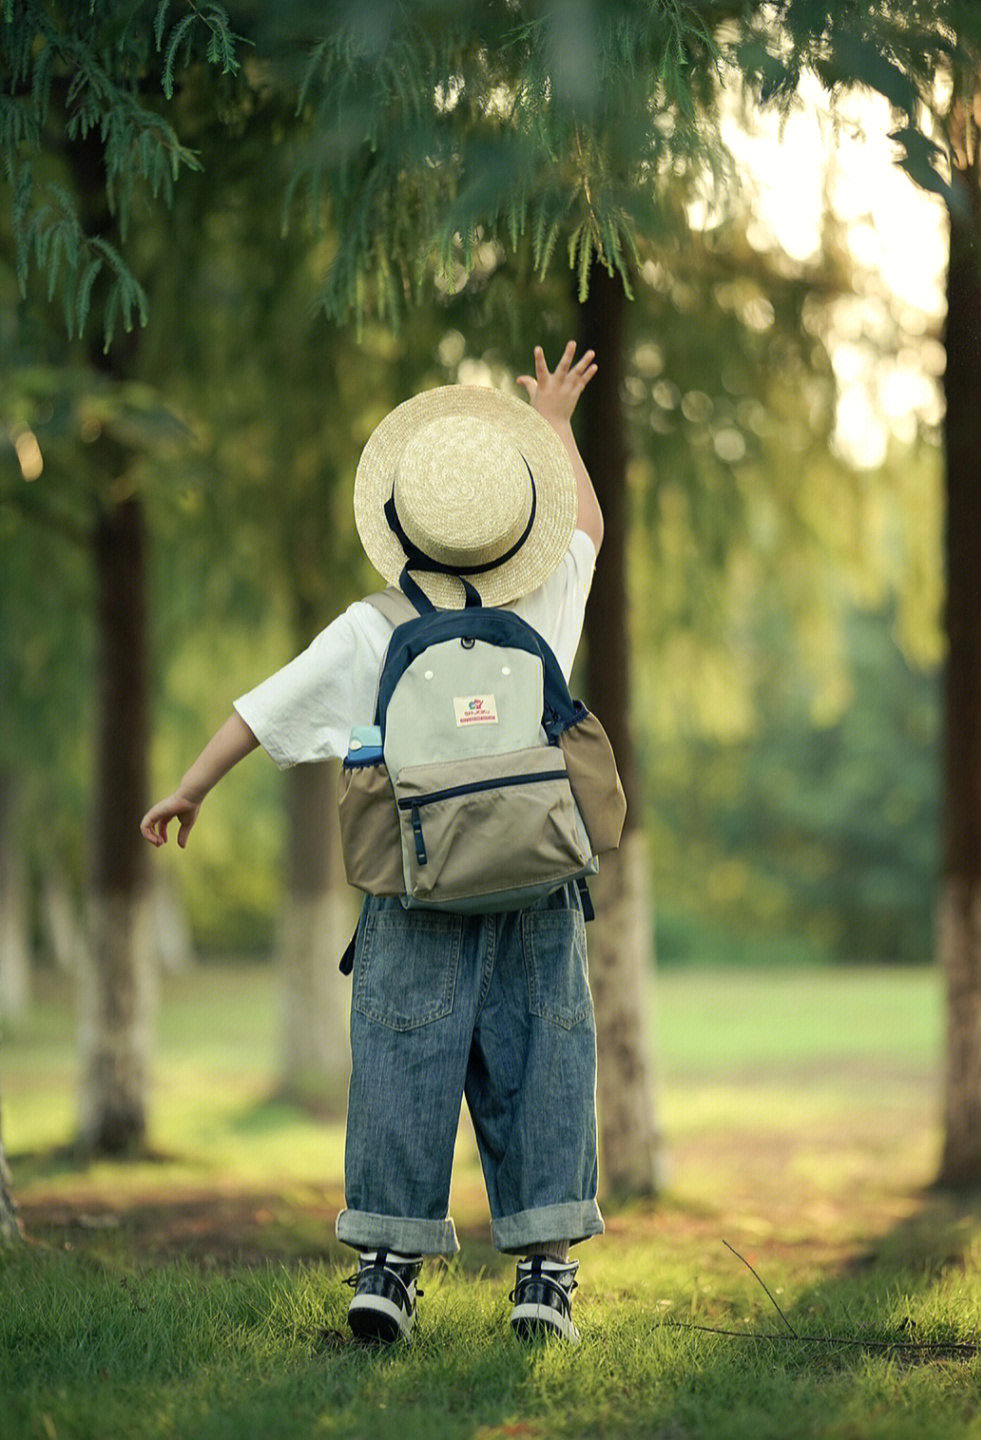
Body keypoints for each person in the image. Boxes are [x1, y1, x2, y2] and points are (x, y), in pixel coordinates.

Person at [141, 340, 606, 1346]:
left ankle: (388, 1270)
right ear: (518, 525)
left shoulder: (371, 627)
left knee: (401, 1063)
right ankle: (545, 1278)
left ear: (403, 525)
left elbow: (263, 714)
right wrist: (559, 426)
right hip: (535, 883)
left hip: (411, 885)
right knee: (547, 1063)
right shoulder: (548, 602)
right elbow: (592, 529)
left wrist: (189, 787)